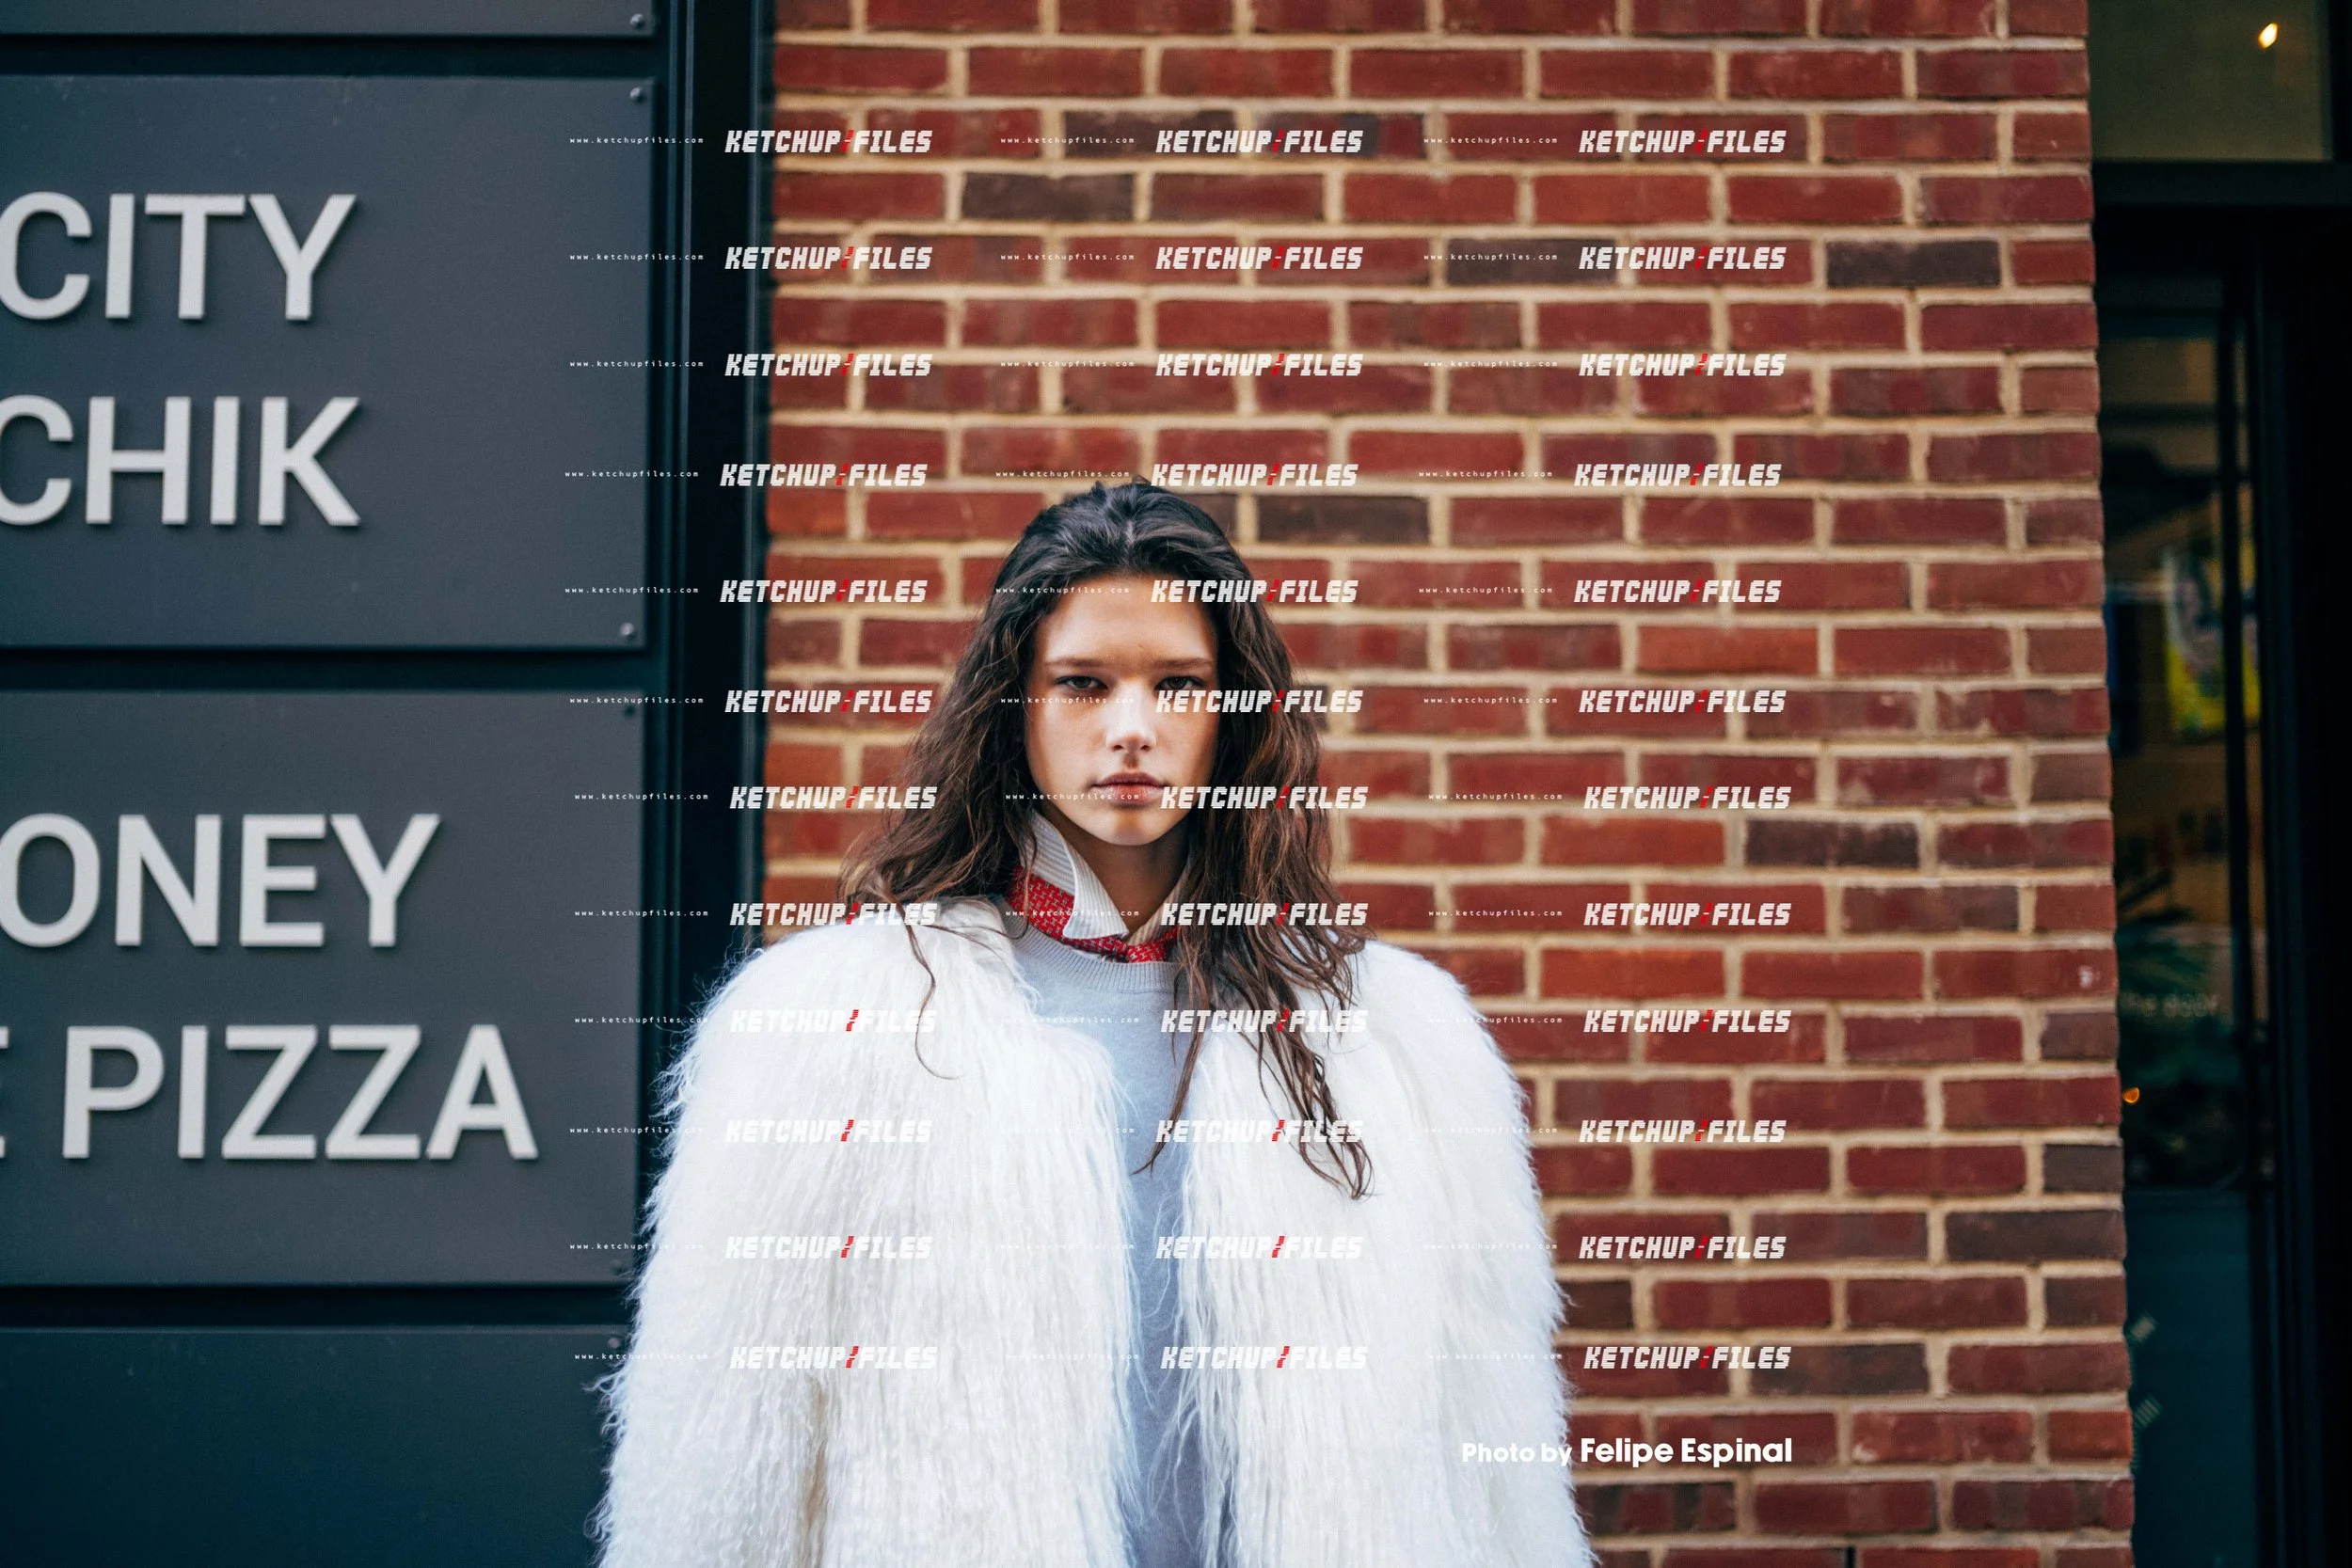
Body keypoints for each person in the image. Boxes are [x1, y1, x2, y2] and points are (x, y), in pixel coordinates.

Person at [593, 482, 1589, 1568]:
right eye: (1082, 682)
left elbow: (1494, 1467)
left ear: (1231, 712)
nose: (1131, 728)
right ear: (1012, 704)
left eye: (1177, 684)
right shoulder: (832, 1024)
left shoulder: (1392, 1039)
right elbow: (717, 1465)